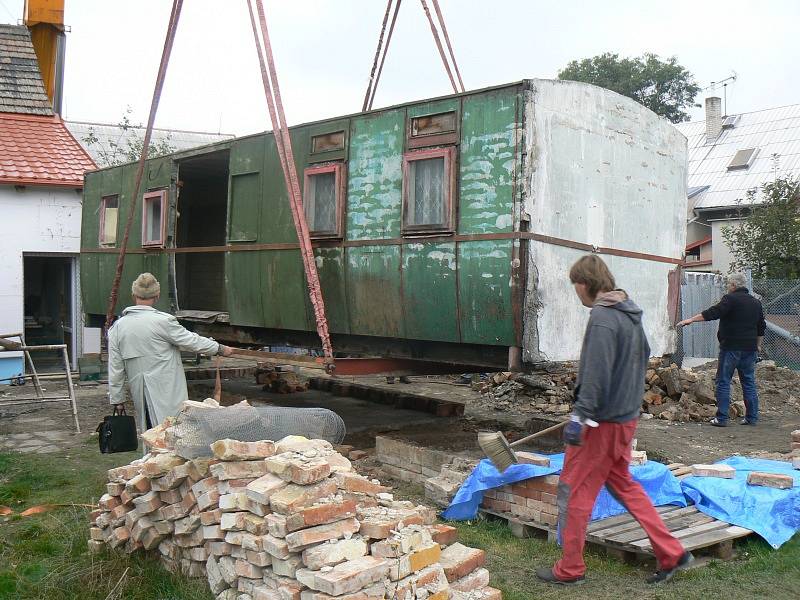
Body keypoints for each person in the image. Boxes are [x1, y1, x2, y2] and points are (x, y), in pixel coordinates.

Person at [536, 255, 692, 586]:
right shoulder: (629, 313)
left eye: (575, 284)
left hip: (602, 423)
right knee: (623, 483)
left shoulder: (604, 318)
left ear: (584, 284)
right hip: (624, 418)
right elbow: (642, 356)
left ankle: (570, 568)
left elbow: (596, 374)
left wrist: (581, 417)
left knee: (576, 491)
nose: (575, 291)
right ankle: (672, 552)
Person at [108, 273, 234, 431]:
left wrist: (117, 399)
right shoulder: (163, 321)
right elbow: (191, 341)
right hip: (167, 392)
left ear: (133, 295)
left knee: (150, 434)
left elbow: (115, 367)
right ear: (157, 295)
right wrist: (219, 349)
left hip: (140, 393)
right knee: (173, 433)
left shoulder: (118, 328)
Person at [677, 273, 766, 426]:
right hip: (750, 349)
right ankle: (751, 418)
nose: (727, 287)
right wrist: (758, 345)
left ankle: (722, 418)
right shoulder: (755, 303)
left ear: (733, 285)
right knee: (749, 382)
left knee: (724, 381)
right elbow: (761, 327)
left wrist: (690, 319)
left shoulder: (730, 299)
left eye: (728, 285)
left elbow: (713, 313)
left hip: (730, 347)